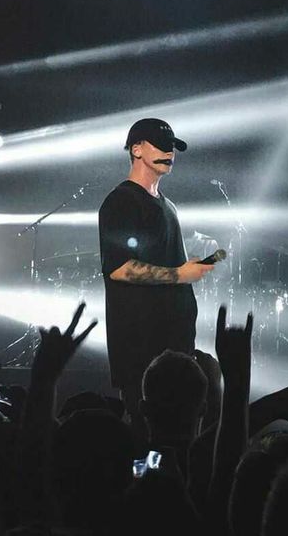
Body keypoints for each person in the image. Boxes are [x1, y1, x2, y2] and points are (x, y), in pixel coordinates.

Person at [98, 118, 214, 422]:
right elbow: (119, 268)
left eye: (172, 148)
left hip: (174, 346)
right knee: (146, 437)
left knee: (176, 437)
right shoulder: (121, 201)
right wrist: (180, 275)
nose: (169, 153)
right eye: (161, 147)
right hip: (141, 350)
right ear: (136, 149)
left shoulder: (169, 206)